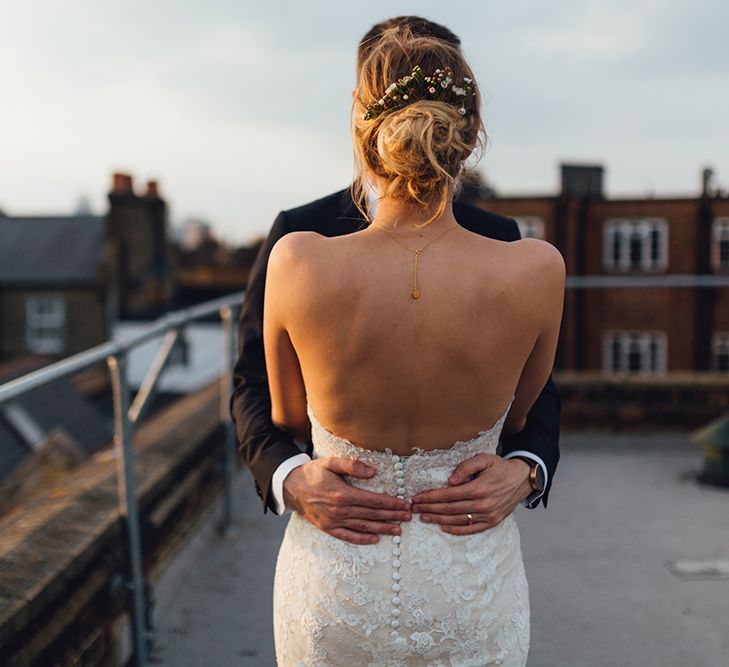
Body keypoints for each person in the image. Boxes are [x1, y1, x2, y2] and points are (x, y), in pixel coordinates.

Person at [230, 16, 565, 666]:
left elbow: (284, 409)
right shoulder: (531, 261)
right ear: (467, 127)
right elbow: (519, 404)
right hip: (463, 573)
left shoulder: (299, 259)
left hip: (338, 579)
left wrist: (525, 470)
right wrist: (288, 476)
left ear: (362, 116)